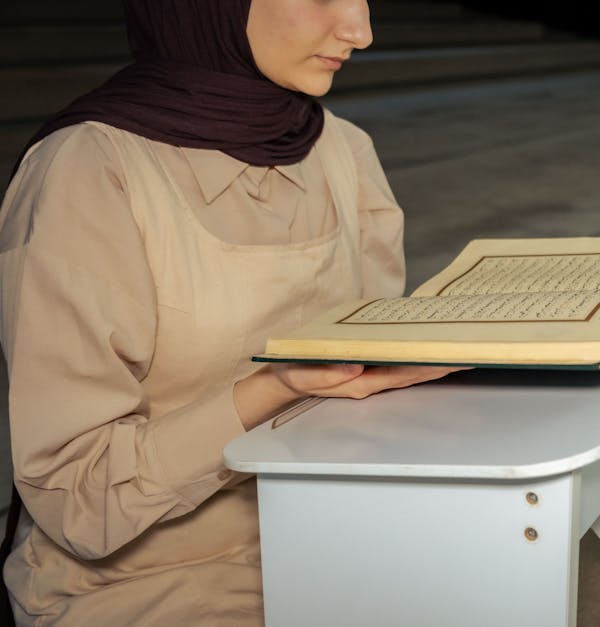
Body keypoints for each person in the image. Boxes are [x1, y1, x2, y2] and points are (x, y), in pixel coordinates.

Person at [0, 0, 461, 624]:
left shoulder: (341, 150)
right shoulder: (90, 171)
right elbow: (75, 499)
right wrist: (271, 389)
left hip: (333, 535)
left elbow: (371, 384)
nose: (360, 31)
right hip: (148, 578)